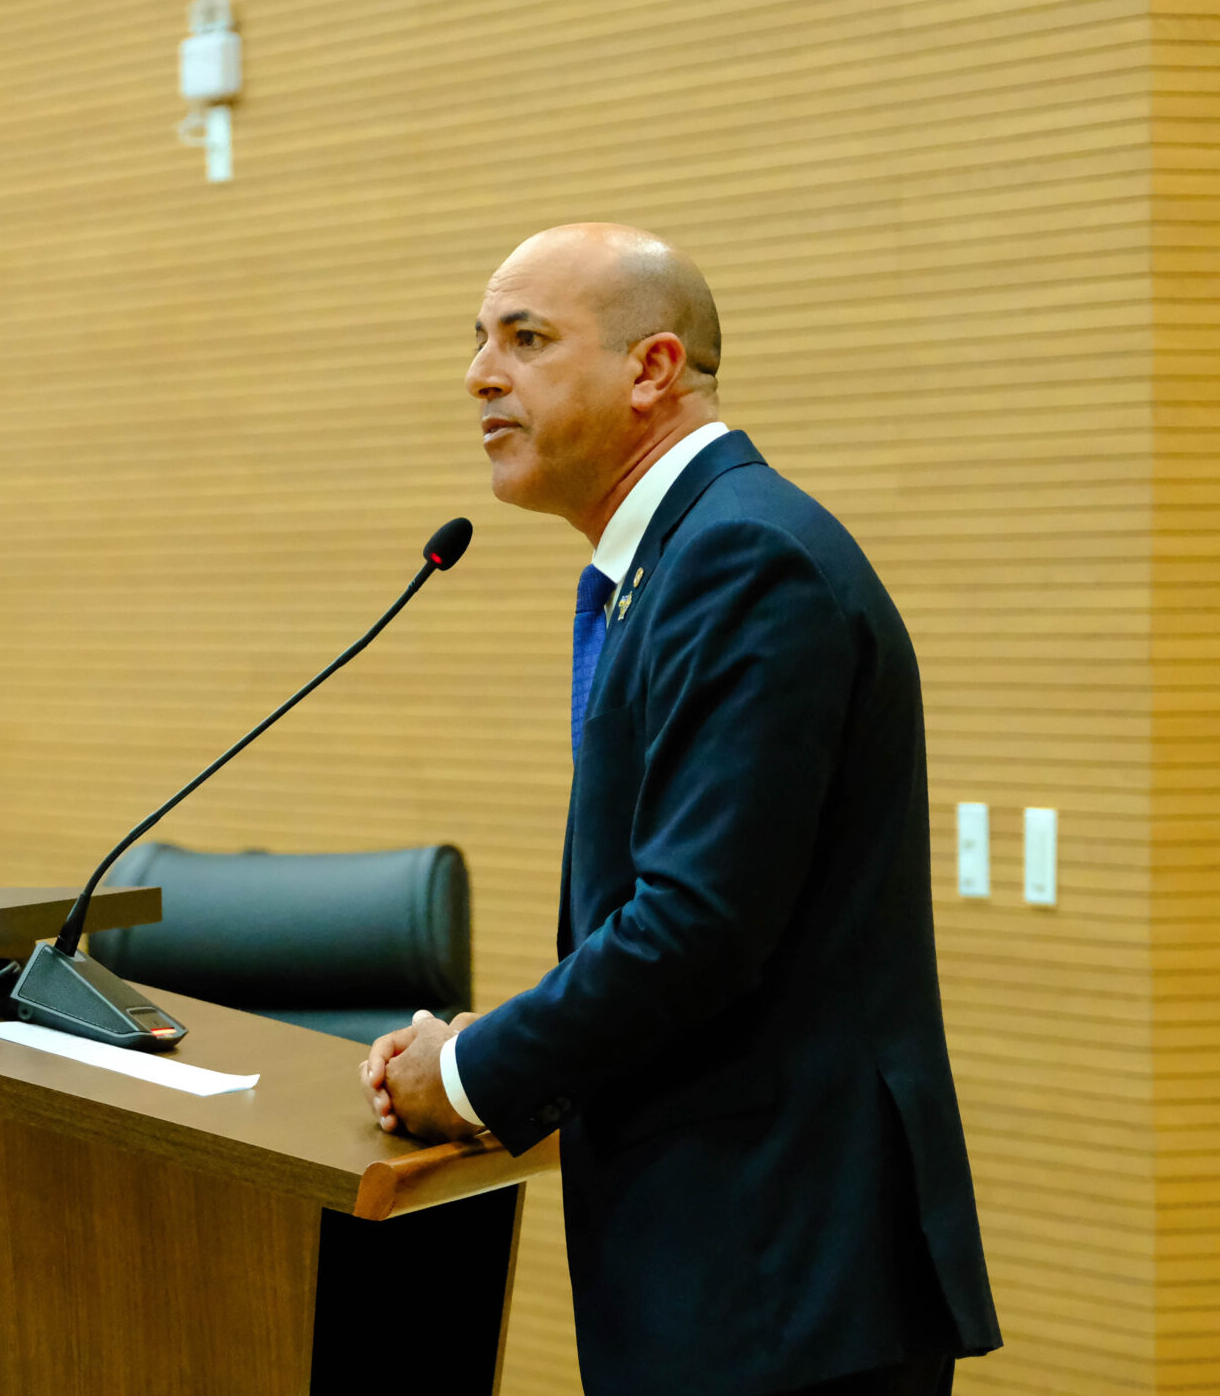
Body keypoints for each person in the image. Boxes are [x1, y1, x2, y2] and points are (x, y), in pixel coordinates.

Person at [362, 225, 1001, 1395]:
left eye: (525, 338)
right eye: (478, 340)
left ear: (651, 369)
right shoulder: (670, 560)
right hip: (729, 1257)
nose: (479, 375)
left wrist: (464, 1073)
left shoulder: (744, 559)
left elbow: (692, 928)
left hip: (779, 1268)